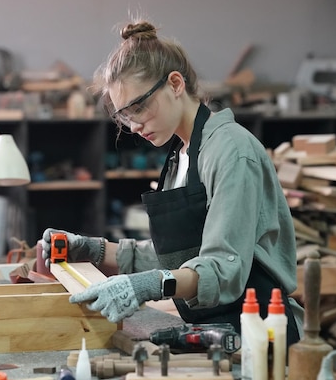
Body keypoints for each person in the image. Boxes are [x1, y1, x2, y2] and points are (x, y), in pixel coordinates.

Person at [41, 19, 303, 346]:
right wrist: (93, 249)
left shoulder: (231, 152)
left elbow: (224, 269)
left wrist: (150, 284)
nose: (133, 125)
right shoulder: (181, 153)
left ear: (175, 84)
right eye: (123, 115)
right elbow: (177, 258)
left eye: (139, 106)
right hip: (215, 333)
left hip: (260, 337)